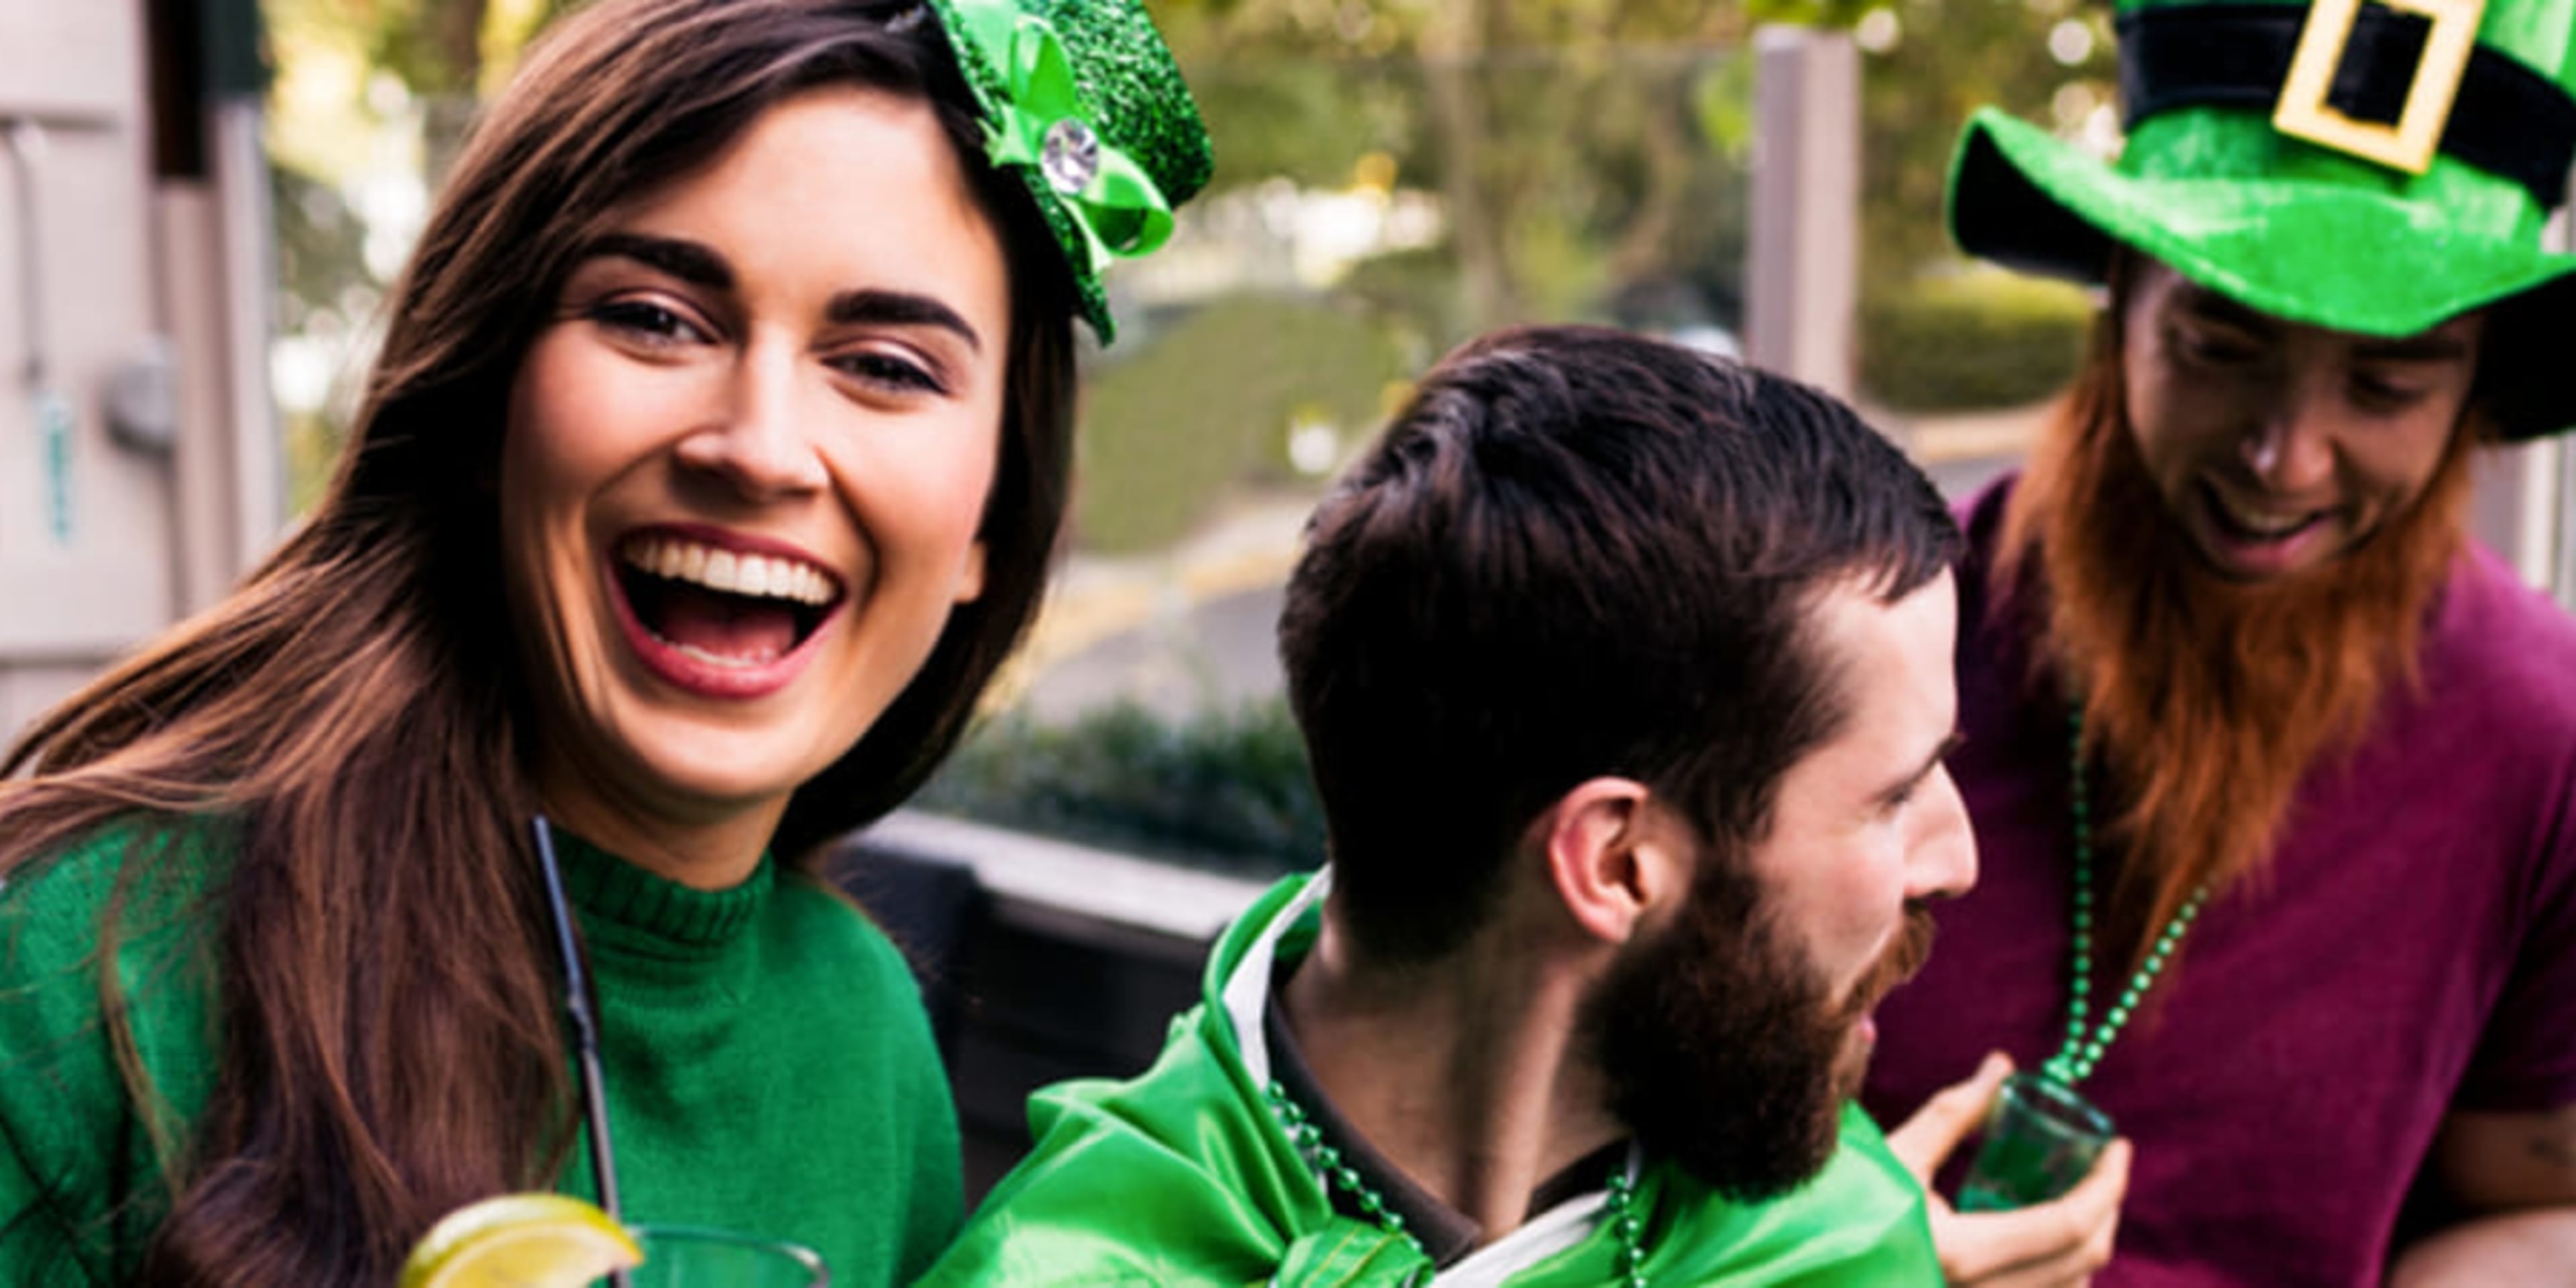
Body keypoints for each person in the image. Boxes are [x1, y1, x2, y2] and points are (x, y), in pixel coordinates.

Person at [0, 0, 1208, 1283]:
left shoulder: (860, 1030)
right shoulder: (74, 966)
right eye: (655, 318)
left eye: (888, 365)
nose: (756, 445)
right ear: (484, 407)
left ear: (988, 529)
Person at [916, 325, 1978, 1285]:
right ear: (1613, 861)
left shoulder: (1830, 1239)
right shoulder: (1066, 1270)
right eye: (1893, 796)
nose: (1959, 855)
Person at [1857, 0, 2576, 1282]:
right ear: (2116, 296)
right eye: (2218, 348)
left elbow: (2529, 1201)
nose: (2284, 459)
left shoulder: (2543, 733)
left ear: (2477, 384)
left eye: (2387, 385)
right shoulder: (1867, 636)